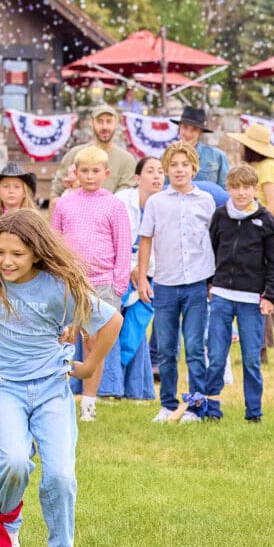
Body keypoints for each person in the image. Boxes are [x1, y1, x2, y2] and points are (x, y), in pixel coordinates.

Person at [0, 209, 122, 547]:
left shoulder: (60, 288)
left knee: (60, 475)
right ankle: (5, 527)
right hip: (4, 386)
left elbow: (111, 320)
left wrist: (88, 367)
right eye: (0, 252)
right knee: (15, 462)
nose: (6, 261)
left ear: (37, 253)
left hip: (52, 389)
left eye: (17, 254)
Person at [137, 141, 216, 424]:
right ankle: (168, 405)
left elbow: (214, 241)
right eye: (173, 165)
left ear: (194, 168)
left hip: (196, 282)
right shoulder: (157, 202)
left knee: (195, 347)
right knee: (167, 348)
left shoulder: (205, 201)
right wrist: (142, 277)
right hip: (165, 283)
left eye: (185, 165)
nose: (179, 170)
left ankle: (196, 405)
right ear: (167, 169)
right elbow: (145, 240)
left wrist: (212, 281)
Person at [51, 145, 131, 420]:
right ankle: (57, 398)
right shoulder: (65, 202)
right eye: (84, 171)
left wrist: (119, 286)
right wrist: (56, 277)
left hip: (103, 282)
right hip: (70, 283)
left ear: (106, 173)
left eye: (95, 171)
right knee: (64, 337)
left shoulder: (114, 205)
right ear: (75, 172)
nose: (89, 176)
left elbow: (123, 246)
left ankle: (88, 401)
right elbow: (55, 241)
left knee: (95, 342)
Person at [207, 164, 274, 423]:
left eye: (246, 188)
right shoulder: (220, 216)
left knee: (251, 359)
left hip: (252, 300)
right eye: (235, 188)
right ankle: (212, 408)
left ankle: (254, 413)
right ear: (228, 189)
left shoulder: (266, 221)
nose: (241, 193)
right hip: (221, 296)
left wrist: (270, 295)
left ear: (254, 189)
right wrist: (210, 282)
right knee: (216, 355)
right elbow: (212, 250)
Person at [229, 122, 274, 368]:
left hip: (267, 235)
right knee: (257, 292)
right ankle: (260, 348)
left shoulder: (267, 168)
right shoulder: (260, 167)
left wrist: (250, 222)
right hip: (257, 235)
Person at [115, 156, 164, 400]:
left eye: (160, 172)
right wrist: (131, 268)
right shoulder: (121, 201)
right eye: (151, 171)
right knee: (112, 327)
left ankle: (130, 385)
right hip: (118, 270)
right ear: (137, 178)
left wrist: (142, 272)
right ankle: (111, 383)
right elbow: (114, 240)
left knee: (135, 328)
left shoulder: (165, 203)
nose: (157, 176)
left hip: (150, 273)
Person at [49, 104, 135, 210]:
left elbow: (124, 200)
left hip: (109, 220)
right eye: (100, 121)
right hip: (74, 218)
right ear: (91, 122)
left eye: (109, 121)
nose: (105, 127)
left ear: (116, 123)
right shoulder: (75, 154)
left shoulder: (127, 160)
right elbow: (56, 192)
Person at [0, 161, 38, 266]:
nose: (11, 191)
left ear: (25, 192)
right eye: (6, 186)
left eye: (17, 187)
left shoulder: (34, 220)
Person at [169, 106, 228, 188]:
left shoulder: (217, 156)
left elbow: (226, 189)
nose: (188, 133)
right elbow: (163, 189)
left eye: (194, 129)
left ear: (200, 132)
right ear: (179, 127)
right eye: (185, 127)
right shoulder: (167, 157)